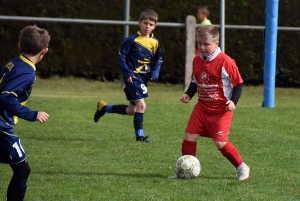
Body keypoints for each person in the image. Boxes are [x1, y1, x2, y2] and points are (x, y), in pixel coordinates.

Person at [174, 25, 250, 180]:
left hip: (221, 111)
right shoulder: (197, 60)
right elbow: (195, 82)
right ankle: (185, 172)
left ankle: (242, 167)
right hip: (202, 108)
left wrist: (233, 101)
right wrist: (188, 95)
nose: (202, 47)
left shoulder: (225, 61)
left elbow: (238, 84)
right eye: (199, 43)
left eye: (206, 44)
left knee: (220, 143)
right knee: (189, 137)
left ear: (216, 43)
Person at [94, 9, 163, 143]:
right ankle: (140, 137)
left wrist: (155, 73)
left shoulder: (155, 42)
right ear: (139, 23)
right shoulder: (132, 40)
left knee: (132, 110)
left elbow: (158, 59)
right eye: (145, 23)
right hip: (133, 77)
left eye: (150, 24)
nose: (147, 26)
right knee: (141, 105)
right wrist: (128, 73)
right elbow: (121, 57)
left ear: (155, 26)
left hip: (143, 78)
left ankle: (103, 108)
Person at [0, 25, 50, 200]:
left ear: (20, 46)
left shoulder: (13, 63)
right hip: (2, 126)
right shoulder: (26, 72)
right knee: (22, 170)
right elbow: (5, 98)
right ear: (44, 51)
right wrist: (32, 114)